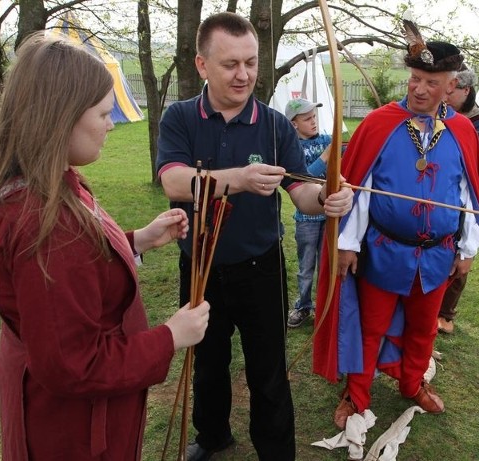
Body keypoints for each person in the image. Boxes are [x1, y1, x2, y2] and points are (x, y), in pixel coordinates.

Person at [0, 33, 211, 461]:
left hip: (66, 412)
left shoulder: (46, 187)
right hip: (72, 429)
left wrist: (138, 241)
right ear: (60, 118)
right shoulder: (44, 225)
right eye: (102, 113)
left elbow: (73, 277)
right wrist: (170, 336)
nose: (111, 124)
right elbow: (73, 363)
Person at [155, 12, 353, 461]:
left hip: (261, 267)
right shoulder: (181, 118)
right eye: (230, 64)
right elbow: (174, 181)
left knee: (268, 369)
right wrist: (239, 179)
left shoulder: (273, 123)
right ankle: (212, 435)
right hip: (201, 264)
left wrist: (326, 199)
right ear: (203, 65)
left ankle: (275, 451)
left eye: (251, 62)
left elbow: (299, 190)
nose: (244, 74)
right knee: (207, 363)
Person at [312, 38, 479, 430]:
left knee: (423, 329)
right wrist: (345, 244)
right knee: (369, 328)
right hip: (383, 250)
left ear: (451, 84)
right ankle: (356, 396)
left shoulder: (462, 131)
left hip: (438, 255)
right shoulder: (380, 123)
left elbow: (470, 196)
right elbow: (357, 189)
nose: (420, 89)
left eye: (431, 81)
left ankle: (411, 385)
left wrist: (468, 248)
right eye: (415, 78)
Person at [438, 65, 479, 334]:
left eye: (454, 89)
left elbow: (467, 163)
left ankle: (446, 315)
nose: (447, 94)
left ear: (466, 90)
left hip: (473, 193)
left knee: (464, 247)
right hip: (444, 190)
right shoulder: (442, 112)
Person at [284, 98, 331, 328]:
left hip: (328, 215)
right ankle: (302, 306)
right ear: (294, 124)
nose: (313, 122)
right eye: (307, 119)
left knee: (326, 264)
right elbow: (303, 176)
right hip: (306, 220)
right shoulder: (292, 148)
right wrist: (325, 157)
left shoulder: (325, 140)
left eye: (314, 117)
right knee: (306, 266)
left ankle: (323, 307)